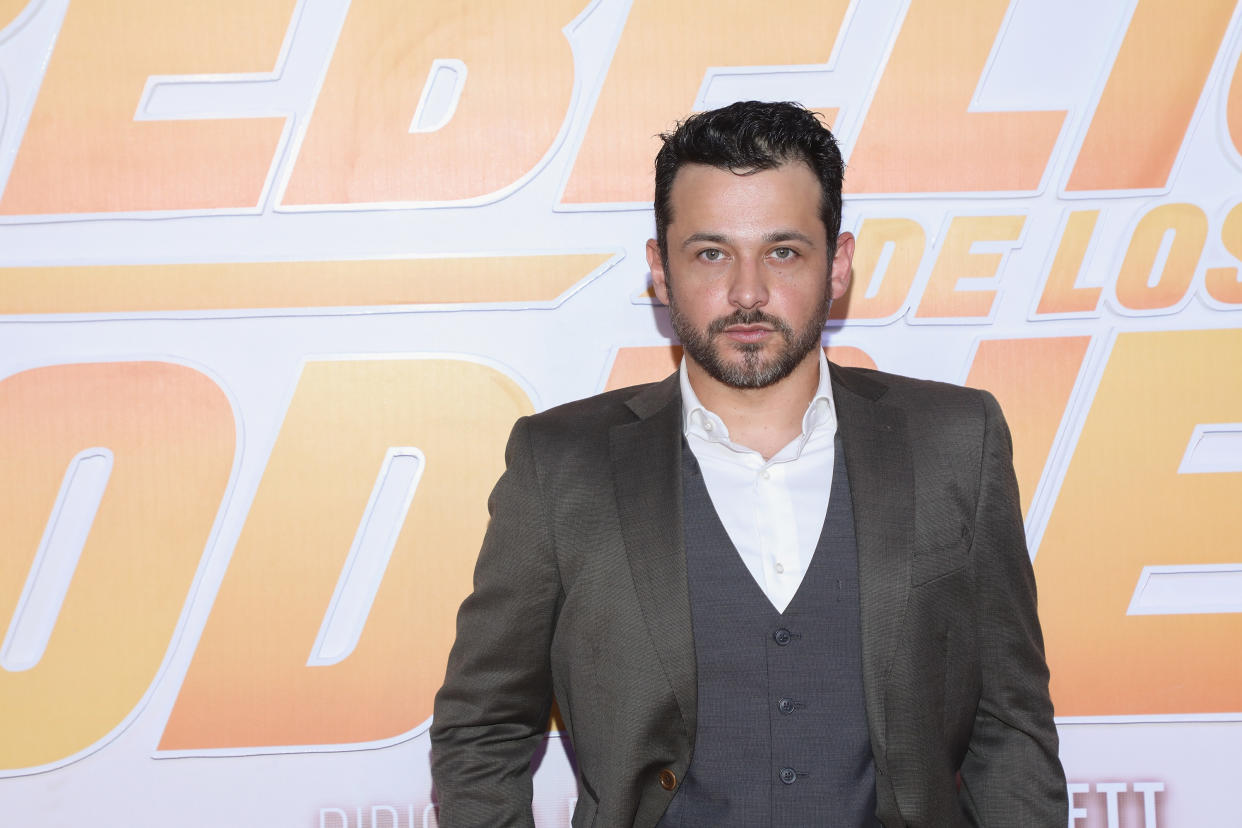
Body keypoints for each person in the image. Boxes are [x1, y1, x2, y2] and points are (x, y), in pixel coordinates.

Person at [430, 100, 1066, 827]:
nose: (747, 293)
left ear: (840, 264)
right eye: (711, 253)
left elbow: (1010, 723)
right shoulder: (561, 464)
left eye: (783, 251)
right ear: (659, 270)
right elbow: (482, 727)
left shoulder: (956, 440)